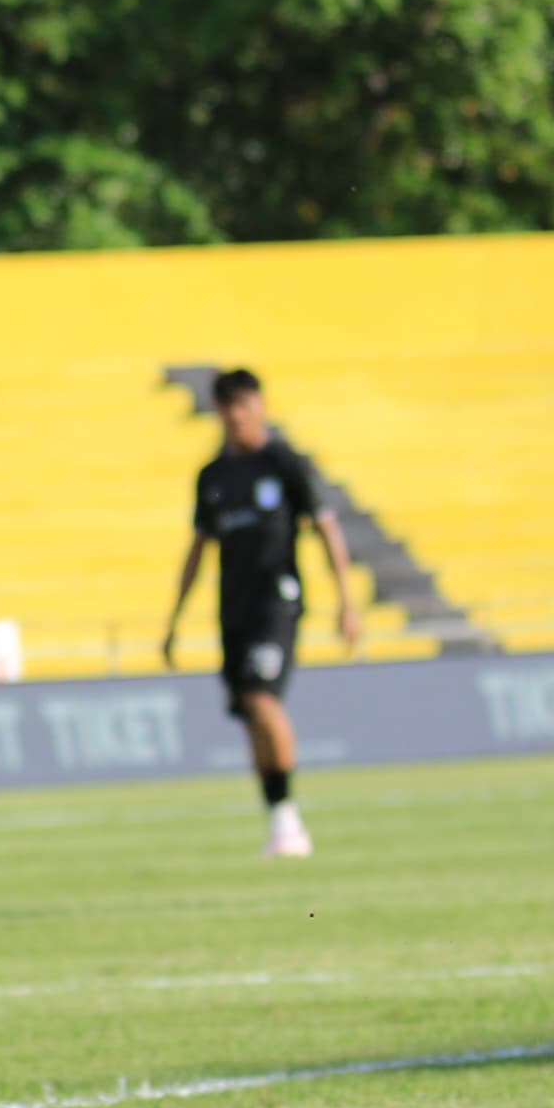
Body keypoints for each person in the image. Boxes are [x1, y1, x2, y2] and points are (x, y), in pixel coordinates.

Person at [166, 367, 360, 858]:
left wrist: (347, 601)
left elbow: (327, 529)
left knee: (261, 699)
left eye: (243, 406)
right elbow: (198, 549)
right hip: (232, 607)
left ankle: (292, 821)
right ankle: (280, 822)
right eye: (226, 407)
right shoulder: (212, 476)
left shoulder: (285, 464)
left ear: (260, 407)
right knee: (250, 714)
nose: (235, 416)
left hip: (279, 601)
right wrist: (174, 620)